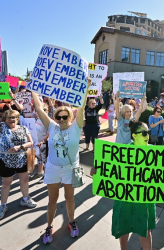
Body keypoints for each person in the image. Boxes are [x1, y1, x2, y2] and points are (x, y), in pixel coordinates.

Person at [90, 120, 164, 250]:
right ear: (134, 135)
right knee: (124, 228)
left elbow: (159, 176)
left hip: (144, 200)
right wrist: (97, 171)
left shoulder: (155, 154)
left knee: (145, 231)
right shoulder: (121, 152)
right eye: (144, 133)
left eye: (148, 133)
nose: (147, 136)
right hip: (125, 199)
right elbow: (110, 171)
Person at [32, 77, 91, 244]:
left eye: (65, 117)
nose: (62, 119)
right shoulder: (52, 126)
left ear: (70, 117)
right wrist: (33, 88)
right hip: (52, 168)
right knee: (52, 199)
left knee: (69, 198)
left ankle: (71, 222)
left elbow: (82, 106)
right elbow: (38, 107)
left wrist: (86, 87)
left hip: (69, 169)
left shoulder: (76, 128)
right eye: (59, 117)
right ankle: (49, 226)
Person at [31, 104, 50, 180]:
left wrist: (42, 141)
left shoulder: (47, 121)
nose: (36, 113)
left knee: (45, 160)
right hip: (36, 143)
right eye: (36, 111)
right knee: (39, 159)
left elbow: (48, 133)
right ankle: (39, 173)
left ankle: (46, 175)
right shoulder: (37, 119)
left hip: (43, 144)